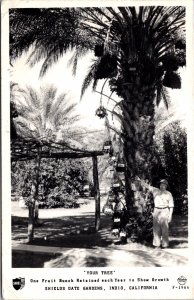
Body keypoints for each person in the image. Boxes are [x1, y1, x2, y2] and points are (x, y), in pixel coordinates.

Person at [139, 178, 174, 248]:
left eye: (164, 185)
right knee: (156, 228)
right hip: (156, 210)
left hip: (165, 210)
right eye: (161, 184)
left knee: (165, 229)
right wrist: (140, 181)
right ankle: (156, 245)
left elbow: (171, 206)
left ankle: (165, 245)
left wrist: (170, 216)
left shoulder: (168, 194)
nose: (162, 186)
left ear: (166, 186)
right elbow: (147, 186)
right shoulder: (155, 190)